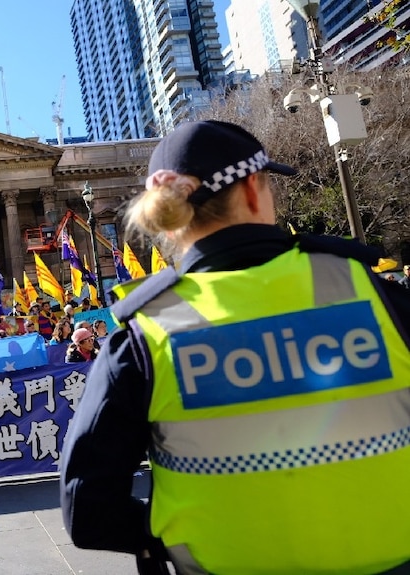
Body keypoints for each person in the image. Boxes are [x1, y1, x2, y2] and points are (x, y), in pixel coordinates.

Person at [60, 120, 410, 574]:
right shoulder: (377, 294)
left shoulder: (144, 337)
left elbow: (86, 510)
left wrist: (179, 534)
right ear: (250, 191)